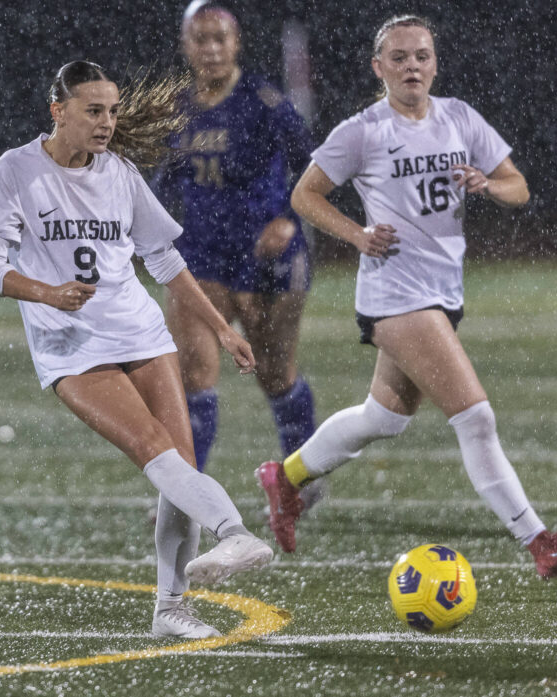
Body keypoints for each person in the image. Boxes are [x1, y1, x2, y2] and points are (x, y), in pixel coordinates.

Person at [255, 15, 557, 579]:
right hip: (396, 294)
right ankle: (538, 542)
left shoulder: (459, 116)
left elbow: (518, 186)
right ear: (378, 67)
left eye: (422, 56)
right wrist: (358, 236)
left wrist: (487, 184)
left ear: (434, 64)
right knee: (476, 417)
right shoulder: (363, 130)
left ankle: (285, 477)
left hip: (442, 290)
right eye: (400, 57)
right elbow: (305, 195)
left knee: (383, 419)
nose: (412, 66)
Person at [0, 60, 273, 639]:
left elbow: (163, 258)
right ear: (58, 111)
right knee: (154, 448)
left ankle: (171, 610)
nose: (107, 121)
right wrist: (48, 294)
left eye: (111, 110)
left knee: (177, 471)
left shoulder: (120, 173)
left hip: (140, 331)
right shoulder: (15, 171)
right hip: (70, 344)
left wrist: (220, 328)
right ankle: (233, 530)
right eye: (94, 110)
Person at [153, 1, 324, 507]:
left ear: (236, 44)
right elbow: (158, 183)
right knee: (194, 378)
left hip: (265, 260)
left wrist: (288, 219)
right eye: (200, 39)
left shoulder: (264, 101)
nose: (210, 49)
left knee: (275, 375)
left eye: (219, 39)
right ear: (186, 45)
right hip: (200, 256)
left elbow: (314, 169)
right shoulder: (175, 108)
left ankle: (301, 478)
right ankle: (185, 491)